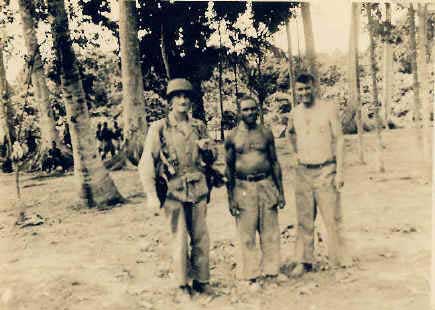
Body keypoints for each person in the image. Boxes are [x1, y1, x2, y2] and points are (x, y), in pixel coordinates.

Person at [138, 78, 217, 299]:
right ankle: (183, 285)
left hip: (198, 188)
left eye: (186, 96)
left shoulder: (199, 126)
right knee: (180, 238)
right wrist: (151, 195)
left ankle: (202, 281)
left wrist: (207, 150)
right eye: (177, 96)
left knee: (201, 237)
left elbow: (211, 158)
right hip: (172, 190)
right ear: (170, 101)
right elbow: (147, 162)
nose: (182, 100)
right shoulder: (159, 128)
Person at [287, 73, 351, 277]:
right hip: (303, 172)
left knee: (331, 218)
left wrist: (339, 171)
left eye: (307, 89)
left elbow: (339, 139)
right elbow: (289, 133)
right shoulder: (295, 113)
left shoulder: (328, 108)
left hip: (325, 170)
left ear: (314, 88)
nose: (304, 93)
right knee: (304, 219)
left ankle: (338, 261)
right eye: (300, 90)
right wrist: (294, 154)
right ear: (296, 92)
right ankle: (304, 261)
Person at [224, 95, 286, 288]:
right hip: (243, 187)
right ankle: (250, 275)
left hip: (266, 184)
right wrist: (231, 198)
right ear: (239, 112)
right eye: (245, 110)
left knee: (270, 231)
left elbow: (275, 162)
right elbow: (229, 168)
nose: (250, 113)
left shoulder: (266, 133)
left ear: (258, 110)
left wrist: (280, 191)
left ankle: (272, 271)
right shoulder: (233, 136)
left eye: (253, 109)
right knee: (247, 232)